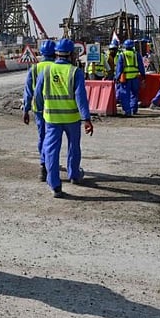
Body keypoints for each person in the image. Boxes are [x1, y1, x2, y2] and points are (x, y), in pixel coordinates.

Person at [34, 38, 94, 198]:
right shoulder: (75, 72)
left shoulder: (45, 71)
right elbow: (81, 97)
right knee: (74, 147)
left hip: (52, 119)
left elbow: (37, 94)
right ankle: (74, 175)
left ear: (56, 53)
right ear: (71, 54)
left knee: (51, 150)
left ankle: (55, 185)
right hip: (72, 119)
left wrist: (40, 110)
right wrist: (86, 118)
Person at [23, 39, 56, 181]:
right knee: (53, 139)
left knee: (42, 137)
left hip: (39, 109)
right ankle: (52, 164)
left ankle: (43, 167)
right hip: (55, 109)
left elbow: (28, 91)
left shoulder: (34, 69)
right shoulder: (57, 66)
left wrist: (26, 109)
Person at [114, 39, 146, 116]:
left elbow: (119, 67)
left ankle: (127, 111)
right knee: (134, 94)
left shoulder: (122, 54)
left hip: (125, 78)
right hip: (135, 77)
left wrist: (117, 77)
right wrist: (143, 75)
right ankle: (133, 109)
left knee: (124, 95)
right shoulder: (136, 54)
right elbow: (141, 66)